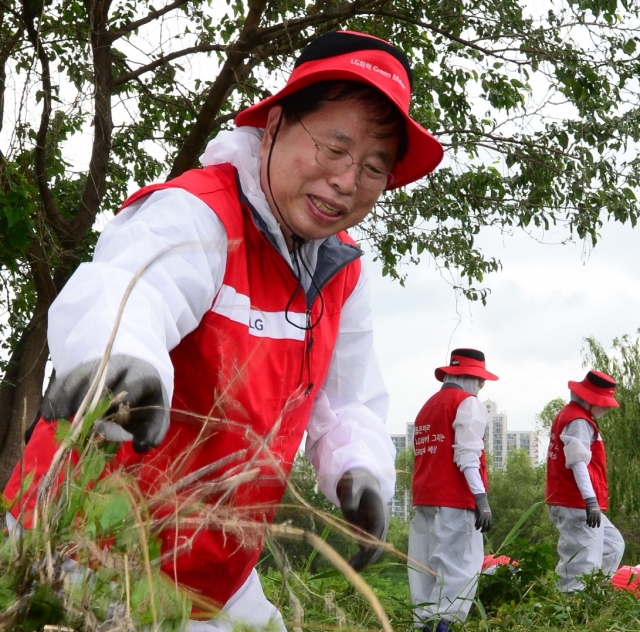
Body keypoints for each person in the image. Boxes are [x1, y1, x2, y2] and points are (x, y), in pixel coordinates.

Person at [3, 30, 444, 630]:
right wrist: (120, 365)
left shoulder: (341, 272)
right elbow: (127, 288)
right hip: (87, 546)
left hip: (217, 563)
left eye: (373, 167)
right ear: (277, 123)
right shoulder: (199, 214)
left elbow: (347, 401)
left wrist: (358, 474)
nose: (347, 181)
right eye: (334, 149)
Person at [408, 348, 498, 632]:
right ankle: (440, 627)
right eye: (480, 381)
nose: (481, 387)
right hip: (454, 500)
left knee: (425, 571)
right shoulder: (467, 403)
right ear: (470, 377)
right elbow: (467, 454)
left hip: (424, 499)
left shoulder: (429, 406)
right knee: (459, 570)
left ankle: (423, 625)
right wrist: (480, 497)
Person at [545, 370, 625, 593]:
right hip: (576, 501)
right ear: (591, 400)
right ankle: (573, 607)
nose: (607, 408)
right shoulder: (578, 421)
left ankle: (594, 593)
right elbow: (578, 462)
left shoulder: (572, 415)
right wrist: (590, 500)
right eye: (604, 403)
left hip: (576, 500)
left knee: (612, 545)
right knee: (582, 558)